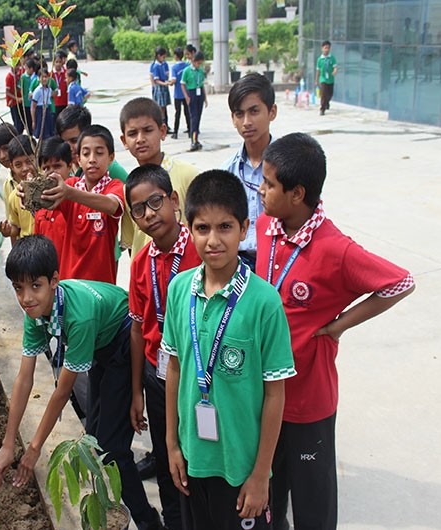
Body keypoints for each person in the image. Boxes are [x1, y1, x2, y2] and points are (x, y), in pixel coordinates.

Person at [255, 133, 415, 530]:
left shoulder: (336, 249)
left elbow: (401, 282)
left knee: (314, 505)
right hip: (265, 395)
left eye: (269, 184)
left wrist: (339, 325)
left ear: (297, 194)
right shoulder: (265, 226)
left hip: (308, 400)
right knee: (269, 497)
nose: (260, 190)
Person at [0, 235, 163, 530]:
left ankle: (148, 521)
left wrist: (34, 449)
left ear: (54, 281)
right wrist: (8, 444)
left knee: (111, 448)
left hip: (123, 340)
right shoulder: (35, 313)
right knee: (93, 435)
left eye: (35, 286)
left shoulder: (78, 318)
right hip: (100, 345)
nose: (26, 298)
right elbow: (23, 379)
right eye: (18, 288)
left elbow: (62, 392)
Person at [163, 170, 296, 530]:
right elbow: (174, 368)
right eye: (202, 228)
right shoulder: (179, 290)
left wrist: (261, 474)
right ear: (189, 228)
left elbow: (275, 393)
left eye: (225, 227)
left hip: (241, 466)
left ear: (244, 228)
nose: (213, 240)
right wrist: (172, 445)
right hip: (192, 458)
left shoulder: (264, 302)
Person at [126, 164, 203, 530]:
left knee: (199, 454)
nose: (149, 214)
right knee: (166, 454)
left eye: (155, 202)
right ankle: (175, 521)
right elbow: (137, 328)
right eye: (138, 209)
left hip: (200, 376)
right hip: (158, 378)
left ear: (174, 200)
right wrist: (136, 391)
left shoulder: (204, 252)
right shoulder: (141, 262)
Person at [41, 125, 124, 284]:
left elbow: (113, 205)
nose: (92, 159)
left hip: (101, 285)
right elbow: (44, 198)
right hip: (70, 283)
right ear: (78, 159)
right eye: (86, 154)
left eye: (99, 153)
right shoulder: (70, 184)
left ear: (111, 157)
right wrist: (26, 192)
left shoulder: (114, 186)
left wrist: (70, 193)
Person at [119, 97, 199, 257]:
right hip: (146, 270)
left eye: (148, 130)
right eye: (133, 134)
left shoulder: (188, 175)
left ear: (162, 131)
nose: (140, 139)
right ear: (124, 141)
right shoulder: (128, 188)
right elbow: (133, 242)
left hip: (185, 265)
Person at [221, 73, 278, 271]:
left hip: (278, 262)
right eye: (239, 114)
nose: (246, 122)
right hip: (237, 266)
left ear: (272, 112)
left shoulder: (290, 168)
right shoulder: (226, 172)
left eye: (254, 111)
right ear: (233, 118)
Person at [56, 105, 128, 183]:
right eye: (63, 142)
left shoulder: (111, 169)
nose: (68, 147)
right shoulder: (65, 165)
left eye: (74, 141)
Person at [35, 136, 71, 258]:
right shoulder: (41, 207)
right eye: (46, 168)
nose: (51, 172)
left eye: (57, 166)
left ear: (70, 166)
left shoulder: (78, 200)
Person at [2, 134, 36, 244]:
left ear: (37, 158)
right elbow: (16, 227)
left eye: (29, 161)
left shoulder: (49, 188)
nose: (25, 168)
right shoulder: (13, 196)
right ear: (12, 167)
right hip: (28, 245)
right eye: (18, 165)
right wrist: (8, 231)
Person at [0, 122, 18, 220]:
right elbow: (13, 221)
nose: (2, 156)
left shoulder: (39, 173)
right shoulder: (8, 185)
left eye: (6, 149)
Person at [181, 51, 208, 152]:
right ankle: (193, 140)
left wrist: (205, 98)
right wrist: (186, 97)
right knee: (194, 118)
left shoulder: (200, 71)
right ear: (193, 61)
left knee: (198, 117)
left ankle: (196, 139)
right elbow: (183, 84)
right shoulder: (187, 71)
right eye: (198, 63)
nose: (199, 65)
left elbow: (202, 84)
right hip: (191, 93)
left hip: (199, 94)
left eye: (200, 63)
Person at [149, 46, 173, 132]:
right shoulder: (155, 66)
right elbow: (156, 80)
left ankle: (165, 125)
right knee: (160, 108)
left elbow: (166, 75)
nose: (164, 58)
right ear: (159, 56)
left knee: (164, 108)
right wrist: (165, 83)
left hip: (164, 87)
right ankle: (162, 126)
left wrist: (168, 81)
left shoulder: (164, 64)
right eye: (163, 56)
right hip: (159, 88)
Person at [30, 69, 56, 141]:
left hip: (47, 111)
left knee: (49, 133)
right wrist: (33, 121)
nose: (44, 79)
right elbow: (33, 107)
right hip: (40, 112)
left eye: (46, 77)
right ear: (38, 78)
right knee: (41, 133)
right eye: (42, 77)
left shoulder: (49, 89)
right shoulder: (37, 90)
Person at [171, 47, 190, 139]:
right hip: (186, 93)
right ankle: (190, 130)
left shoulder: (174, 67)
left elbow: (174, 80)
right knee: (187, 112)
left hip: (178, 94)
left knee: (177, 113)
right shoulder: (187, 66)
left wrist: (170, 83)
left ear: (175, 56)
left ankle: (175, 133)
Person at [315, 40, 337, 116]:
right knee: (323, 94)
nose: (327, 49)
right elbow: (318, 70)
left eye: (328, 48)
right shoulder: (319, 59)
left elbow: (335, 67)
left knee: (330, 94)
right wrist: (316, 80)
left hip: (330, 79)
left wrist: (335, 71)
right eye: (325, 48)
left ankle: (327, 102)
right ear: (322, 48)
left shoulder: (332, 58)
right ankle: (322, 109)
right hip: (323, 79)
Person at [4, 66, 25, 133]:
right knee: (17, 122)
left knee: (23, 121)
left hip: (20, 100)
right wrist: (16, 98)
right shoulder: (9, 77)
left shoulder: (20, 73)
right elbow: (7, 92)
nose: (18, 68)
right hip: (13, 102)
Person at [20, 58, 38, 133]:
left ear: (31, 69)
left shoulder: (36, 78)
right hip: (26, 103)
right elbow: (21, 89)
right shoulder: (23, 77)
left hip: (35, 103)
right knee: (28, 121)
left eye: (27, 68)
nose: (26, 70)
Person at [51, 51, 68, 116]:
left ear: (62, 62)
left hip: (64, 102)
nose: (58, 64)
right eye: (56, 62)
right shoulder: (50, 74)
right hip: (55, 103)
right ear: (53, 63)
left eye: (60, 62)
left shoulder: (66, 73)